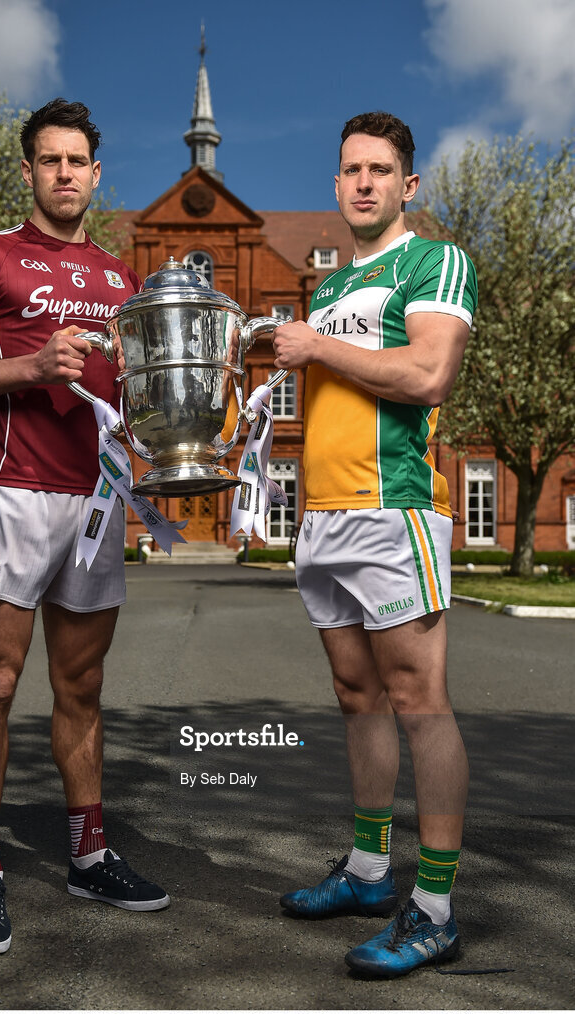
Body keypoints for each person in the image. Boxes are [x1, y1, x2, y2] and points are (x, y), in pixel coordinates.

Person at [0, 98, 169, 958]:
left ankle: (88, 854)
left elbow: (131, 401)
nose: (65, 174)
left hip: (95, 501)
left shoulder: (120, 280)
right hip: (15, 493)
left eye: (78, 162)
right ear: (28, 172)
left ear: (97, 175)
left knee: (83, 687)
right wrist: (29, 362)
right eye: (49, 161)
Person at [272, 111, 477, 978]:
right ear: (336, 184)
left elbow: (428, 373)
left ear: (408, 186)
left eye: (380, 170)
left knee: (417, 696)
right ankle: (365, 871)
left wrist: (316, 347)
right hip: (323, 514)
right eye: (350, 169)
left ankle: (432, 909)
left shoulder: (433, 261)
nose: (363, 182)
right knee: (356, 694)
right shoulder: (325, 287)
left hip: (394, 511)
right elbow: (336, 389)